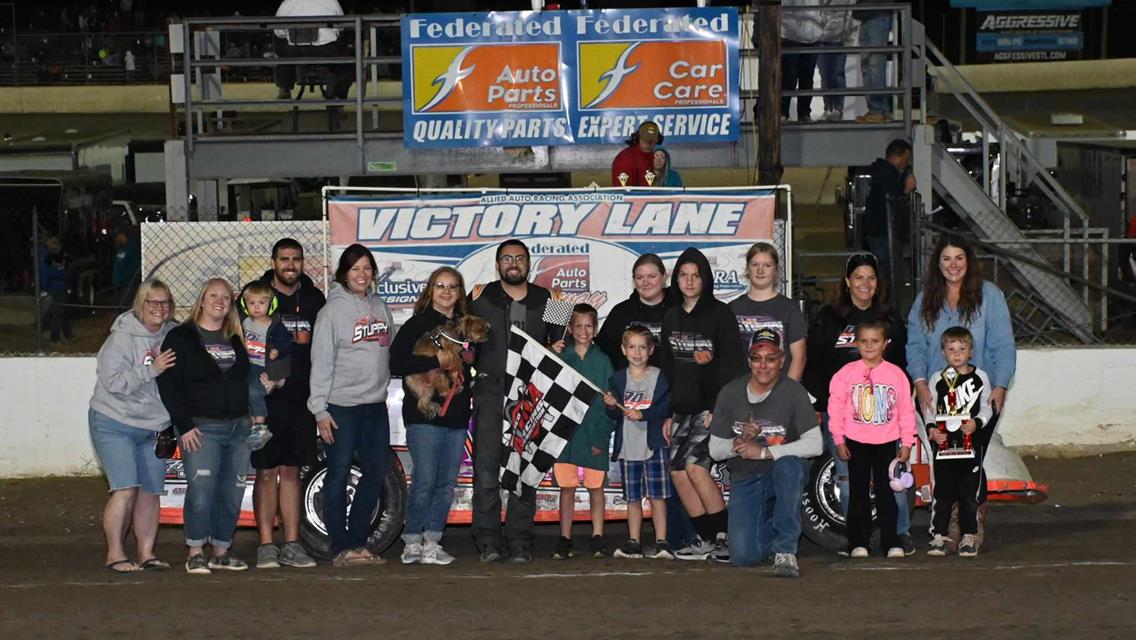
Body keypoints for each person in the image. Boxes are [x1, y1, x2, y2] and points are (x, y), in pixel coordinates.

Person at [907, 234, 1016, 552]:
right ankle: (950, 518)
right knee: (944, 459)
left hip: (978, 398)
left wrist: (1000, 386)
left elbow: (1003, 345)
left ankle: (972, 519)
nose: (953, 265)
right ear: (937, 264)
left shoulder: (990, 297)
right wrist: (919, 381)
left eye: (959, 258)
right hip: (936, 400)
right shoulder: (925, 298)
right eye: (946, 258)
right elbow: (914, 343)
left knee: (971, 460)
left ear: (968, 261)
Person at [802, 251, 915, 554]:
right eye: (858, 278)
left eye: (871, 278)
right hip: (843, 418)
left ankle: (899, 534)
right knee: (849, 481)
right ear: (847, 281)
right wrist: (819, 406)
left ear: (878, 283)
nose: (865, 284)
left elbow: (902, 369)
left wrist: (903, 425)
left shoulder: (890, 319)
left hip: (885, 423)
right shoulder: (829, 318)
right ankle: (856, 539)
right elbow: (813, 365)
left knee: (893, 481)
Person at [593, 253, 696, 552]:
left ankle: (676, 538)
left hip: (674, 403)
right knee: (638, 492)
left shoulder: (679, 309)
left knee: (673, 477)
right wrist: (615, 393)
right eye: (640, 277)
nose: (646, 282)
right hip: (633, 415)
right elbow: (604, 352)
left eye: (652, 276)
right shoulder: (622, 312)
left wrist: (670, 408)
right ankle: (638, 539)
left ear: (663, 277)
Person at [467, 239, 554, 563]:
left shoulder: (549, 297)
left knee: (524, 471)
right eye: (507, 258)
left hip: (530, 396)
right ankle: (487, 541)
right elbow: (460, 338)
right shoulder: (478, 297)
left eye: (519, 258)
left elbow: (565, 340)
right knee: (486, 471)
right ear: (498, 264)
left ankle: (520, 540)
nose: (513, 263)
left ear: (529, 264)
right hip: (490, 392)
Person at [157, 277, 252, 574]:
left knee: (232, 491)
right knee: (201, 491)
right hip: (202, 428)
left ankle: (221, 550)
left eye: (226, 297)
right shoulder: (181, 337)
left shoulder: (235, 337)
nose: (220, 301)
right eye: (214, 295)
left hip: (239, 428)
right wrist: (183, 425)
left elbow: (245, 381)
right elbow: (168, 384)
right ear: (201, 299)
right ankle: (196, 549)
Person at [708, 328, 821, 577]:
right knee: (743, 556)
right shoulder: (730, 393)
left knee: (789, 465)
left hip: (782, 472)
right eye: (757, 358)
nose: (763, 365)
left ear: (782, 361)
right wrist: (738, 443)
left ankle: (785, 550)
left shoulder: (793, 391)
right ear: (748, 361)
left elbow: (815, 444)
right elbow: (715, 451)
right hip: (747, 476)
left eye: (771, 358)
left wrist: (764, 452)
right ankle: (784, 518)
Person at [308, 243, 394, 567]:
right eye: (355, 268)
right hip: (341, 407)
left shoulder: (381, 306)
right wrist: (320, 410)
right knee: (338, 474)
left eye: (367, 268)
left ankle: (359, 542)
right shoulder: (331, 312)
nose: (362, 274)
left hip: (375, 406)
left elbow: (389, 349)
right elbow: (321, 363)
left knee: (375, 474)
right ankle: (340, 546)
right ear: (344, 273)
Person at [659, 247, 745, 562]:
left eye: (696, 275)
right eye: (684, 275)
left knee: (696, 468)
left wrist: (718, 408)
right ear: (676, 279)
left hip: (712, 409)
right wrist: (668, 412)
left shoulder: (720, 315)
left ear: (705, 278)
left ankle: (725, 537)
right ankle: (706, 538)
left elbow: (733, 367)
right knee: (678, 472)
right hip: (681, 409)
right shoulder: (671, 317)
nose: (690, 281)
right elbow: (667, 370)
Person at [88, 279, 177, 573]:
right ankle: (115, 554)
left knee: (150, 491)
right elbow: (113, 382)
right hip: (115, 421)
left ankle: (147, 553)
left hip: (154, 426)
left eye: (164, 302)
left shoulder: (174, 335)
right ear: (141, 304)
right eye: (152, 302)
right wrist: (152, 370)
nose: (159, 308)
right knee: (125, 488)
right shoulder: (121, 338)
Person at [390, 267, 473, 566]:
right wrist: (435, 358)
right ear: (430, 290)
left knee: (446, 483)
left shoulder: (467, 327)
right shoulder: (417, 325)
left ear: (460, 292)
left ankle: (433, 540)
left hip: (457, 415)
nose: (447, 291)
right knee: (424, 480)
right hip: (424, 415)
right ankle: (412, 540)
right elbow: (396, 362)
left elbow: (477, 362)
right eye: (440, 286)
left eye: (453, 286)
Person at [250, 238, 324, 570]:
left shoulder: (314, 299)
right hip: (265, 404)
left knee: (292, 472)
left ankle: (292, 544)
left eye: (295, 259)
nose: (290, 265)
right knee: (266, 473)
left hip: (301, 402)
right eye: (284, 259)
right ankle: (266, 545)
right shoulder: (256, 297)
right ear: (274, 261)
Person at [827, 319, 916, 559]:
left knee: (888, 494)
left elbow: (906, 411)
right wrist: (839, 439)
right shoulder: (845, 374)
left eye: (875, 341)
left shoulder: (896, 375)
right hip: (855, 443)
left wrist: (907, 443)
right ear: (856, 343)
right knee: (857, 494)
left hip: (887, 443)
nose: (869, 346)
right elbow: (835, 408)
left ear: (885, 343)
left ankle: (891, 540)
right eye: (864, 341)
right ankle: (858, 542)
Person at [550, 304, 616, 560]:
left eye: (589, 326)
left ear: (596, 329)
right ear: (570, 328)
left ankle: (597, 536)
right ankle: (565, 537)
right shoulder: (560, 357)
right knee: (567, 488)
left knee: (595, 488)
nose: (583, 331)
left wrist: (604, 430)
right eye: (578, 326)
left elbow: (609, 399)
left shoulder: (602, 361)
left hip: (593, 432)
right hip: (564, 435)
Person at [923, 326, 993, 558]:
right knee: (942, 493)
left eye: (961, 349)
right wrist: (932, 429)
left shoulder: (980, 377)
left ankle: (969, 536)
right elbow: (929, 408)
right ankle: (939, 536)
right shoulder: (937, 378)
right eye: (951, 349)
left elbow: (987, 406)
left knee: (968, 493)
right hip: (943, 445)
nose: (956, 353)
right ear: (943, 352)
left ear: (971, 351)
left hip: (970, 445)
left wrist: (978, 422)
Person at [605, 326, 673, 560]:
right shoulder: (617, 378)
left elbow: (665, 407)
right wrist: (612, 405)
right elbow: (613, 415)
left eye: (643, 347)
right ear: (624, 350)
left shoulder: (658, 376)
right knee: (632, 497)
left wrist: (643, 415)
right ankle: (634, 541)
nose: (637, 352)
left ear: (651, 350)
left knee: (657, 496)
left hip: (653, 445)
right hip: (628, 446)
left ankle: (662, 541)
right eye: (632, 347)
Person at [730, 242, 807, 381]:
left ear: (776, 269)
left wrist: (786, 394)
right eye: (755, 265)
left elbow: (799, 358)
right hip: (742, 392)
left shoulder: (789, 309)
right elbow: (725, 357)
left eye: (767, 265)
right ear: (748, 268)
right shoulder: (733, 309)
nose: (760, 271)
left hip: (779, 392)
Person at [239, 282, 294, 453]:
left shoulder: (275, 325)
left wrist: (278, 351)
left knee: (255, 391)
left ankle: (260, 426)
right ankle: (253, 424)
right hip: (247, 365)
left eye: (261, 303)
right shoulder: (244, 322)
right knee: (244, 391)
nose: (256, 307)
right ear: (244, 305)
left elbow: (287, 343)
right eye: (251, 303)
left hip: (263, 367)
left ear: (271, 304)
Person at [273, 0, 353, 101]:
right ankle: (336, 96)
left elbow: (278, 31)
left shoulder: (288, 2)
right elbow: (341, 26)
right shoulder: (331, 1)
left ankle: (284, 86)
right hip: (325, 48)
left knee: (284, 52)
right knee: (346, 65)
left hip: (296, 49)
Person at [864, 138, 916, 276]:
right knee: (886, 275)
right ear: (899, 156)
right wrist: (906, 191)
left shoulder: (883, 173)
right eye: (907, 158)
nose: (907, 163)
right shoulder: (887, 176)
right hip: (883, 234)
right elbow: (893, 205)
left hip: (878, 233)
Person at [855, 0, 899, 122]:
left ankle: (877, 109)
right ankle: (879, 109)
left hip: (878, 13)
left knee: (874, 64)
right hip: (866, 15)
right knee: (867, 66)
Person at [817, 0, 856, 122]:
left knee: (838, 74)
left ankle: (838, 110)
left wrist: (849, 35)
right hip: (820, 37)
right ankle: (828, 108)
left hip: (840, 37)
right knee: (825, 75)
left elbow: (851, 10)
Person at [611, 121, 662, 187]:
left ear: (658, 139)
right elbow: (624, 193)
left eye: (652, 139)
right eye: (646, 138)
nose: (649, 142)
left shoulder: (658, 156)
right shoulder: (625, 159)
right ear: (638, 136)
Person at [111, 229, 140, 307]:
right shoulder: (121, 248)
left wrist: (127, 279)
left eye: (117, 236)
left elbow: (134, 267)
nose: (116, 239)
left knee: (126, 306)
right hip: (120, 284)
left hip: (128, 284)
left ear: (122, 235)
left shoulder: (131, 248)